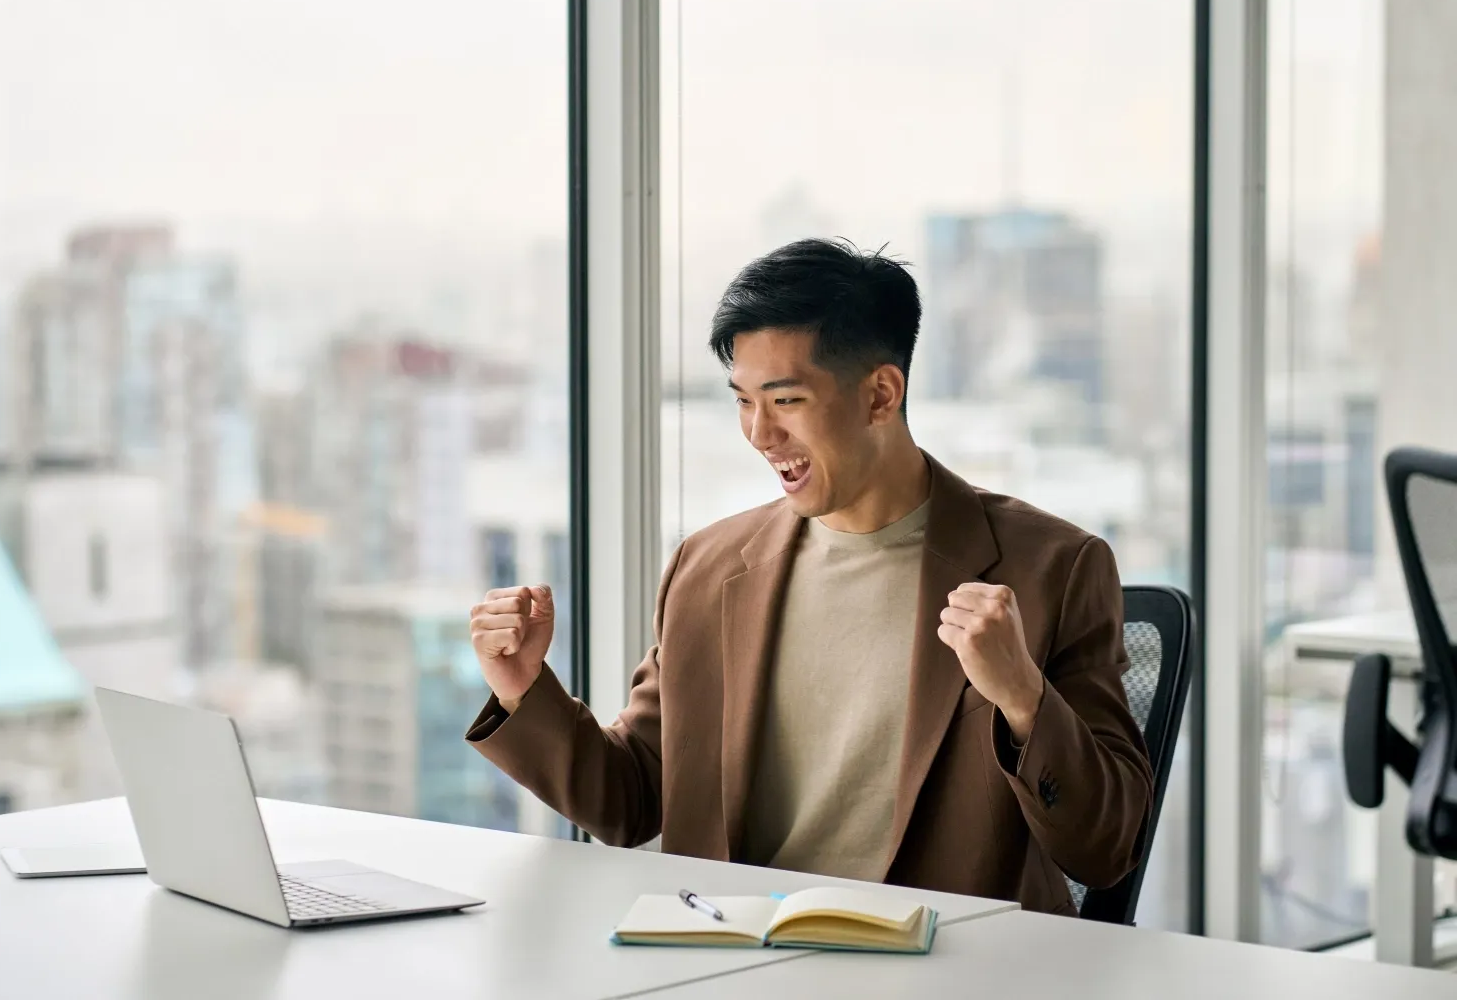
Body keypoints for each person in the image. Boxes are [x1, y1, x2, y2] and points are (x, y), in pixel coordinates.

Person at [466, 238, 1152, 913]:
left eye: (785, 400)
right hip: (734, 961)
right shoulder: (707, 570)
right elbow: (631, 799)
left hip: (945, 969)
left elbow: (1105, 849)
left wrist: (1025, 700)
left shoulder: (1052, 568)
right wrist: (524, 687)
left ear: (881, 394)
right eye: (742, 401)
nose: (760, 434)